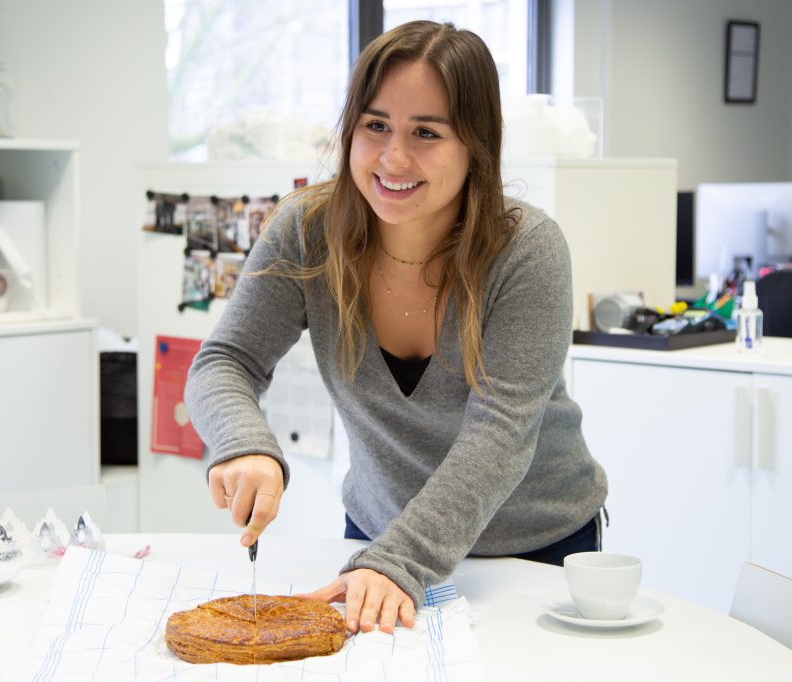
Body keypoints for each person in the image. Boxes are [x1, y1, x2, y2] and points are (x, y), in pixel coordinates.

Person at [184, 19, 608, 637]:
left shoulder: (527, 249)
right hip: (382, 542)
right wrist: (245, 442)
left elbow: (502, 433)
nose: (393, 157)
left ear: (476, 148)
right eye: (375, 125)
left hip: (533, 547)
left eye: (426, 133)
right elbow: (226, 360)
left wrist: (399, 561)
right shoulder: (308, 231)